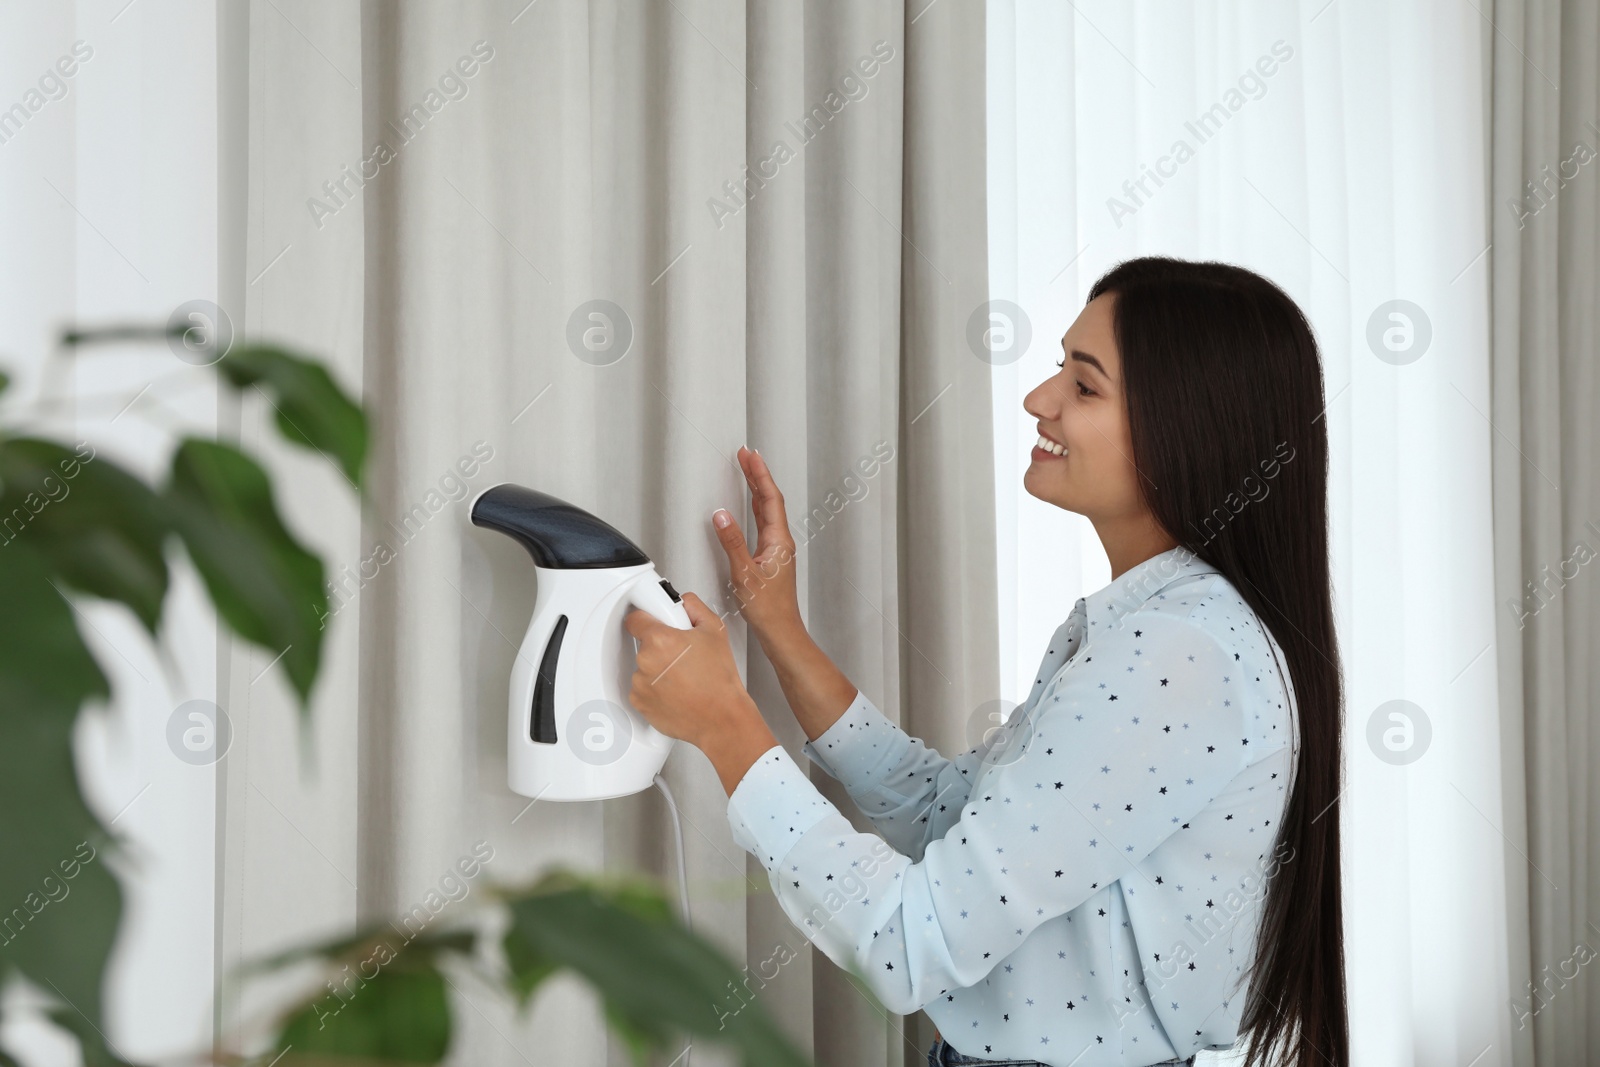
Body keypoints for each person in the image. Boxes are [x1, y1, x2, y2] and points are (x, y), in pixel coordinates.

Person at [625, 255, 1348, 1067]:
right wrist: (779, 627)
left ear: (1189, 427)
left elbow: (907, 942)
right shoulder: (1153, 626)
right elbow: (942, 808)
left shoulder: (1178, 655)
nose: (1041, 401)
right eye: (1057, 370)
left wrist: (726, 723)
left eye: (1084, 385)